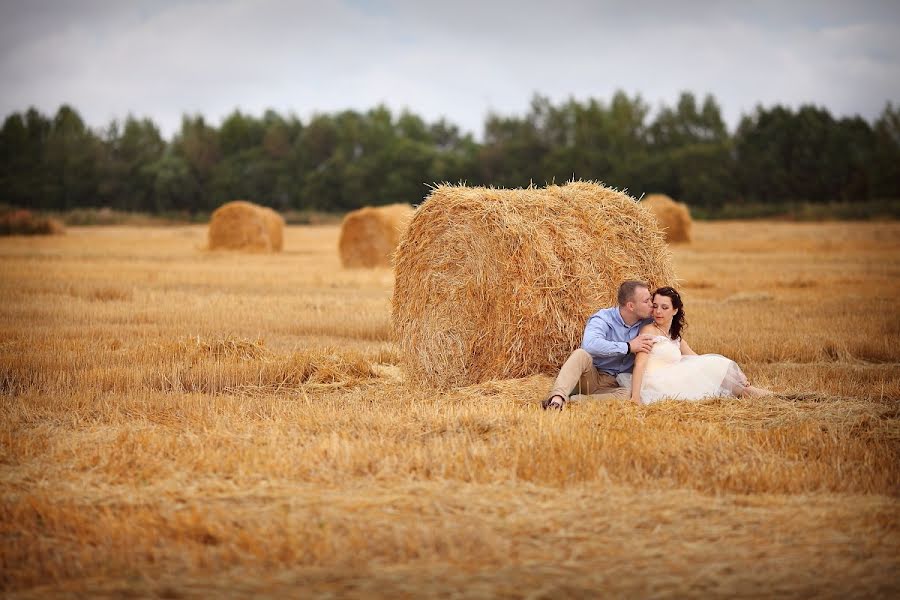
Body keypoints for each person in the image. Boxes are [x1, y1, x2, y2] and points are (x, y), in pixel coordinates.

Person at [626, 286, 773, 404]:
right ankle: (773, 397)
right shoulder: (648, 331)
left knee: (718, 369)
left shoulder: (675, 338)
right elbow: (639, 364)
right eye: (655, 306)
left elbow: (699, 360)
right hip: (657, 382)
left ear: (675, 310)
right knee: (719, 372)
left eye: (664, 307)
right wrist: (636, 397)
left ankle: (777, 397)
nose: (658, 311)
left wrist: (735, 375)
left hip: (676, 378)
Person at [541, 280, 659, 410]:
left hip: (616, 385)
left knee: (627, 394)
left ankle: (577, 400)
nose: (651, 305)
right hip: (592, 377)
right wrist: (628, 346)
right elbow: (590, 345)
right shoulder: (603, 318)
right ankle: (556, 400)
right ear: (631, 306)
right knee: (580, 354)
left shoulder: (649, 322)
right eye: (646, 301)